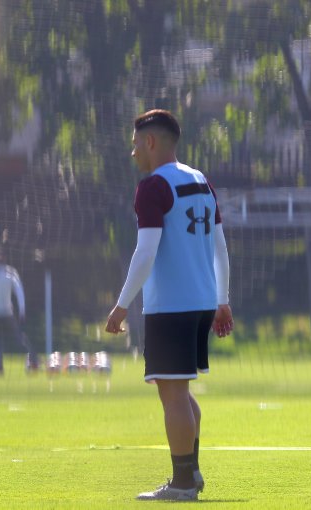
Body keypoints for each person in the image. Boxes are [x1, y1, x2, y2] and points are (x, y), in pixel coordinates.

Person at [104, 109, 233, 501]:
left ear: (151, 142)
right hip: (200, 304)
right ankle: (189, 473)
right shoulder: (201, 181)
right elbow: (220, 249)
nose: (133, 154)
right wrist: (222, 301)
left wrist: (121, 304)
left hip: (171, 306)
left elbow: (145, 252)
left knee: (173, 395)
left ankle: (181, 483)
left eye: (134, 145)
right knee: (180, 391)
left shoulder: (153, 186)